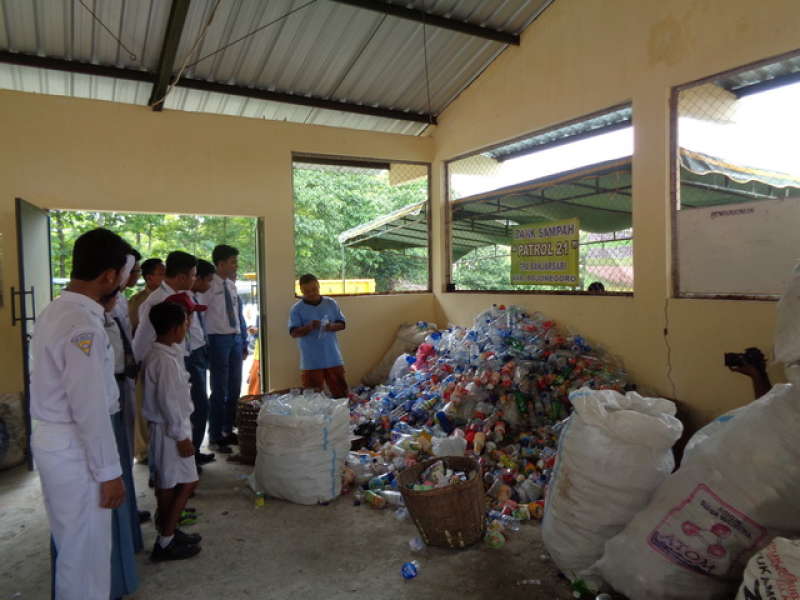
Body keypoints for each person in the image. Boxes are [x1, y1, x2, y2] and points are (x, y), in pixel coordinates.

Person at [30, 228, 130, 600]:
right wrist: (109, 473)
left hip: (61, 441)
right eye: (120, 277)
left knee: (75, 549)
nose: (121, 285)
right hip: (76, 447)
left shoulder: (59, 309)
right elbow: (88, 407)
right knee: (85, 556)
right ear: (107, 276)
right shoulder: (81, 324)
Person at [142, 300, 202, 562]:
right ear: (176, 328)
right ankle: (165, 541)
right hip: (171, 431)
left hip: (170, 428)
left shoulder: (166, 353)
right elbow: (169, 402)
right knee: (187, 482)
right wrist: (181, 437)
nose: (188, 327)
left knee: (168, 484)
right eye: (186, 323)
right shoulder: (163, 360)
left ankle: (169, 530)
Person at [132, 251, 197, 484]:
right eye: (192, 275)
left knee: (175, 452)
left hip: (174, 362)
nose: (194, 280)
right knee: (164, 449)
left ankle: (171, 488)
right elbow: (141, 343)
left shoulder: (180, 296)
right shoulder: (156, 302)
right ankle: (160, 488)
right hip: (161, 368)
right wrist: (147, 370)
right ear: (180, 276)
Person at [100, 293, 141, 597]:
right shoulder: (81, 321)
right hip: (97, 420)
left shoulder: (113, 308)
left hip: (118, 384)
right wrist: (108, 472)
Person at [205, 245, 248, 454]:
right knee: (219, 389)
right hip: (217, 339)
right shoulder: (208, 285)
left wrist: (243, 340)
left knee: (234, 388)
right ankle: (214, 436)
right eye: (232, 261)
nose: (235, 265)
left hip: (235, 338)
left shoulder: (231, 285)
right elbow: (201, 315)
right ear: (220, 264)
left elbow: (238, 314)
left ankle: (227, 428)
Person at [289, 273, 349, 398]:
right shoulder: (296, 309)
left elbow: (342, 324)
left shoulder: (331, 303)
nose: (311, 293)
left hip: (333, 358)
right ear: (301, 290)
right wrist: (309, 327)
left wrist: (329, 327)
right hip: (311, 361)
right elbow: (294, 333)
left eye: (314, 289)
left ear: (319, 286)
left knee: (341, 395)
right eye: (307, 291)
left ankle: (342, 416)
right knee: (312, 399)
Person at [187, 259, 216, 467]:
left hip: (198, 352)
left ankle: (194, 451)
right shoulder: (174, 299)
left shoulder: (192, 296)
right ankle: (189, 456)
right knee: (197, 407)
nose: (209, 285)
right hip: (187, 357)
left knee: (200, 406)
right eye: (208, 280)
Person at [129, 258, 165, 333]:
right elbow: (134, 329)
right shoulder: (136, 301)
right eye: (162, 274)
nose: (167, 277)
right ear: (149, 277)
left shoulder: (171, 294)